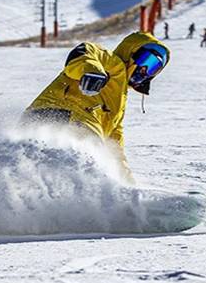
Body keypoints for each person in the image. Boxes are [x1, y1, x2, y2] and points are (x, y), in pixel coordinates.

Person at [21, 32, 170, 183]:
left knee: (47, 173)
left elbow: (115, 150)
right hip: (63, 116)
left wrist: (128, 185)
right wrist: (93, 72)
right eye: (146, 61)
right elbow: (84, 52)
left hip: (57, 124)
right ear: (133, 53)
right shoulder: (110, 62)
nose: (145, 69)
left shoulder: (119, 103)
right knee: (91, 167)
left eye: (153, 68)